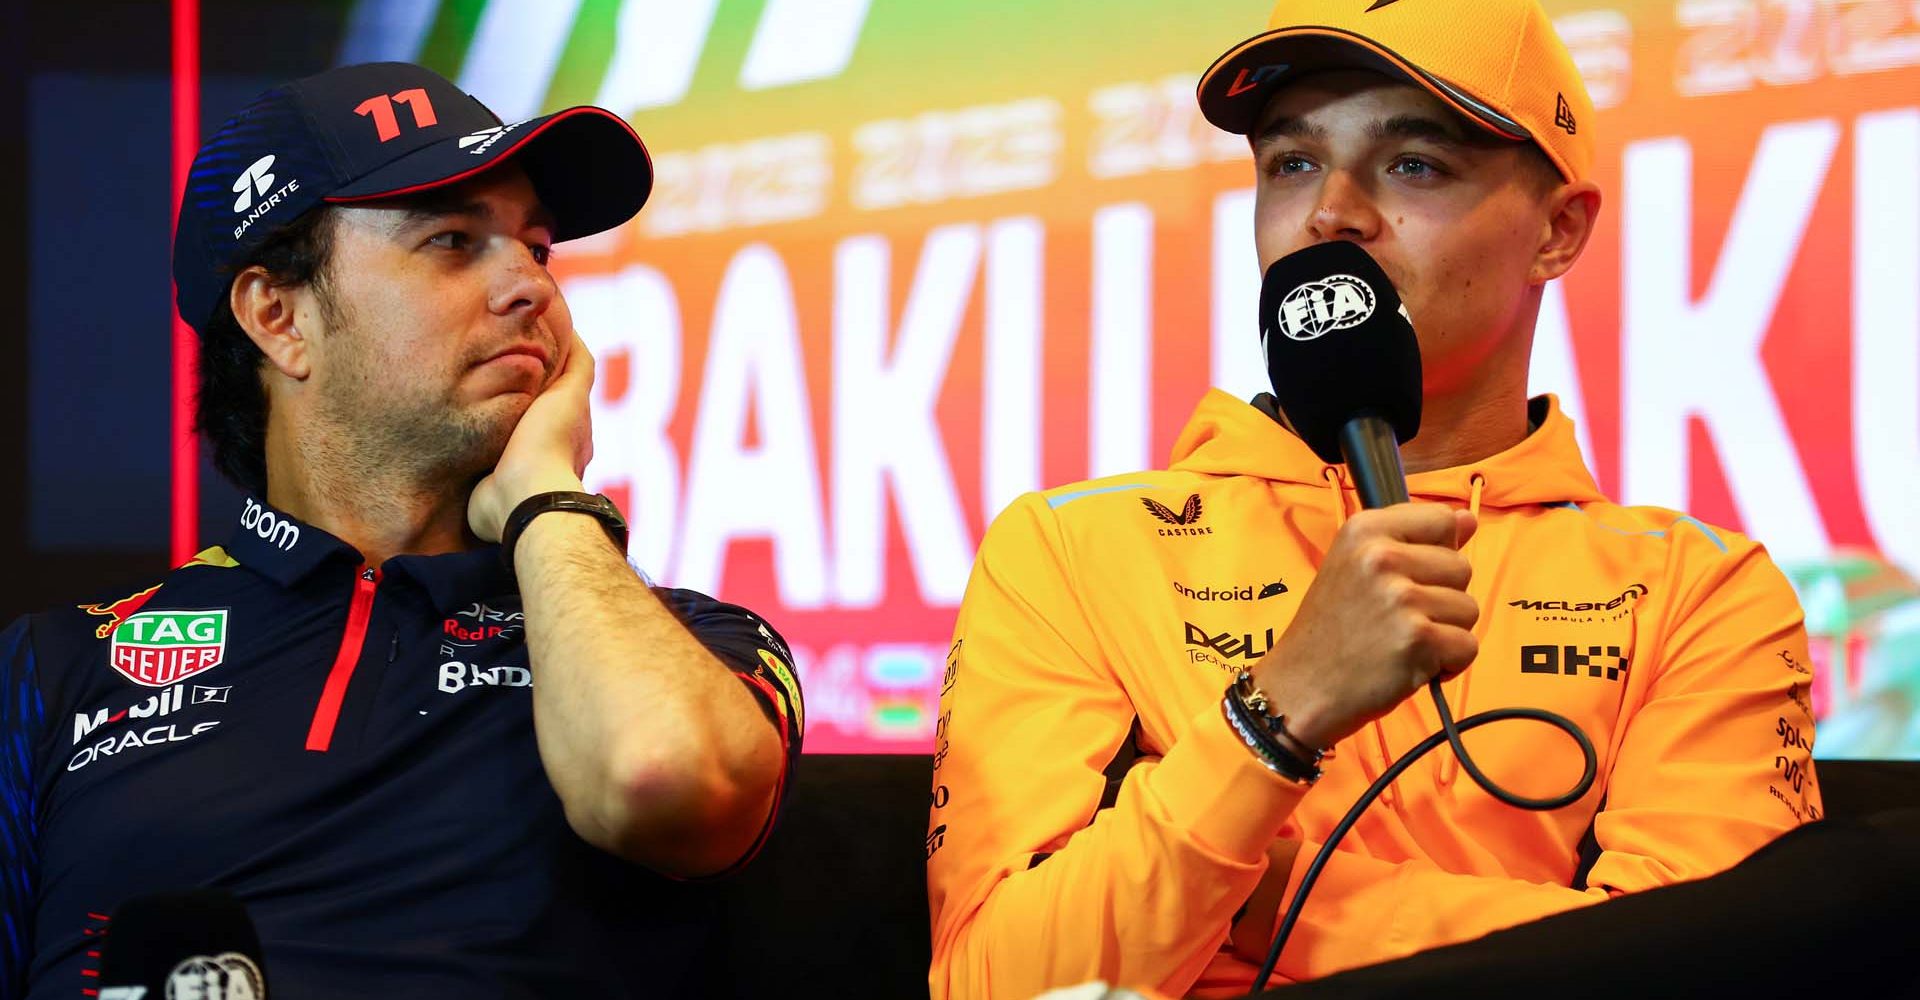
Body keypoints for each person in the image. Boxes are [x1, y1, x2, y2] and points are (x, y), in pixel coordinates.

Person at [925, 1, 1823, 996]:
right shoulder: (1069, 547)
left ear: (1559, 231)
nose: (1331, 213)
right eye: (1291, 163)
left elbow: (1712, 972)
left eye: (1413, 166)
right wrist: (1278, 715)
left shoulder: (1703, 591)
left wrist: (1269, 895)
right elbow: (995, 981)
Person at [1, 62, 804, 999]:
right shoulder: (53, 670)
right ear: (279, 316)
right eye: (455, 241)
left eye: (538, 250)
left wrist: (547, 499)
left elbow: (665, 780)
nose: (532, 291)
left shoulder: (693, 643)